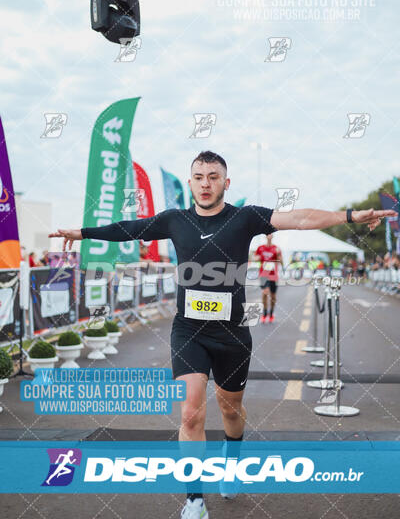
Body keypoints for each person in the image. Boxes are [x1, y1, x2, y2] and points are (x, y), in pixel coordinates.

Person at [49, 150, 395, 519]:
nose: (205, 183)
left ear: (225, 183)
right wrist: (82, 233)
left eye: (213, 177)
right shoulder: (175, 220)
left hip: (231, 335)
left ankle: (232, 462)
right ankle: (194, 498)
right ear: (190, 182)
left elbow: (299, 217)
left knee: (231, 411)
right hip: (188, 331)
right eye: (199, 177)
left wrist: (351, 215)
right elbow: (129, 228)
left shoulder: (245, 218)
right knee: (190, 414)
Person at [254, 234, 283, 323]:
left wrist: (278, 255)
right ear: (266, 236)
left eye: (271, 234)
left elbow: (281, 262)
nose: (269, 236)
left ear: (273, 236)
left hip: (273, 275)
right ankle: (265, 313)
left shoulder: (276, 248)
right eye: (268, 234)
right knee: (265, 292)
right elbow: (255, 258)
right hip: (263, 274)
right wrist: (258, 258)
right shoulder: (261, 248)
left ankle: (271, 313)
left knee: (273, 296)